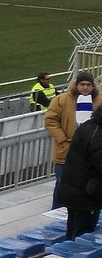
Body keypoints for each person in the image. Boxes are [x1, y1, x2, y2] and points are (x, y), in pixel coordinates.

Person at [56, 107, 102, 239]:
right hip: (86, 196)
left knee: (73, 233)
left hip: (76, 192)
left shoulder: (89, 126)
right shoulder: (97, 135)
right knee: (82, 237)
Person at [40, 71, 79, 210]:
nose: (85, 87)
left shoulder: (97, 101)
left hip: (87, 152)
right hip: (65, 151)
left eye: (88, 84)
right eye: (82, 84)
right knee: (62, 183)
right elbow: (50, 121)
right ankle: (56, 213)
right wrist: (63, 139)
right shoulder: (62, 100)